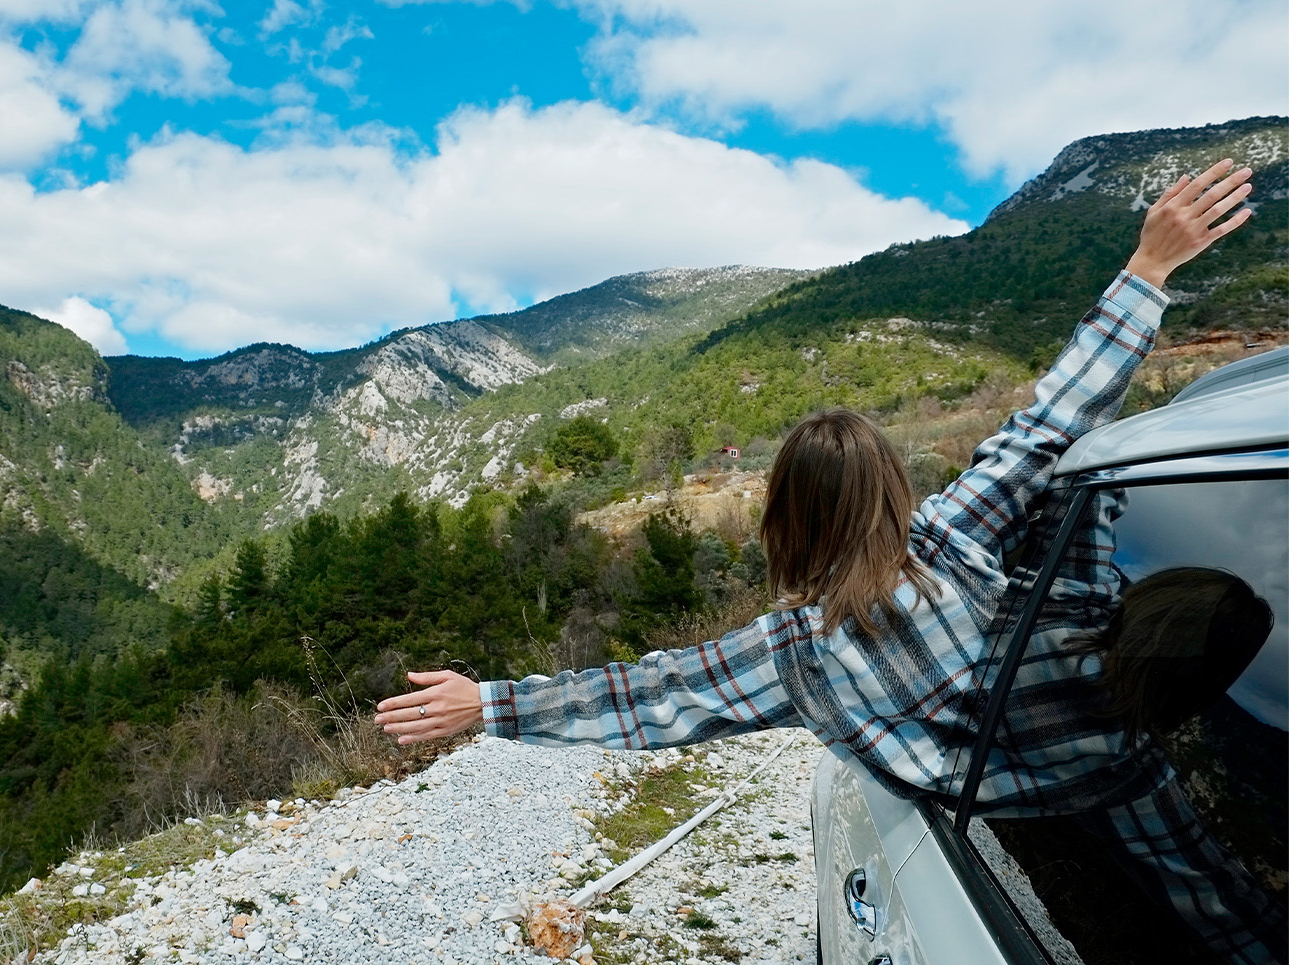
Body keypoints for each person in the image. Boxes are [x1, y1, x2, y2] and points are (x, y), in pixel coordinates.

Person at [376, 160, 1282, 962]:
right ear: (895, 487)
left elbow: (648, 694)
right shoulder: (963, 542)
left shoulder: (797, 653)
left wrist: (490, 702)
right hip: (1123, 750)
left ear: (786, 522)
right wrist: (1146, 269)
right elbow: (1050, 424)